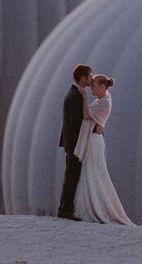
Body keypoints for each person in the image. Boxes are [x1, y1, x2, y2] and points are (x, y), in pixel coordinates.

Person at [73, 74, 133, 225]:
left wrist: (84, 98)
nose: (91, 87)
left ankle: (96, 208)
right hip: (93, 139)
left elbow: (87, 115)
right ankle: (88, 206)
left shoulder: (104, 102)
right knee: (90, 172)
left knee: (93, 172)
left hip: (94, 141)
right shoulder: (101, 100)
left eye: (93, 85)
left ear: (101, 86)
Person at [57, 62, 93, 220]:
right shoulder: (77, 95)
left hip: (71, 143)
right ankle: (66, 210)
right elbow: (75, 123)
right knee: (72, 176)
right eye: (90, 76)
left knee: (71, 175)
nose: (91, 79)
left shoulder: (72, 93)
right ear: (83, 78)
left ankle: (65, 208)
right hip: (74, 144)